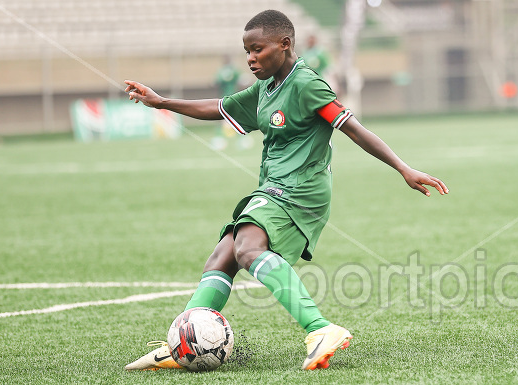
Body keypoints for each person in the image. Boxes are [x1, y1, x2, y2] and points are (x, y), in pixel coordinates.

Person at [123, 9, 449, 371]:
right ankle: (184, 343)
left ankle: (321, 329)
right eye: (247, 51)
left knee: (247, 247)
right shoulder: (266, 88)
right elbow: (218, 108)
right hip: (275, 187)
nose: (250, 59)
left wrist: (403, 167)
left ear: (285, 44)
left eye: (257, 49)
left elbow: (353, 128)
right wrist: (162, 102)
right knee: (223, 256)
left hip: (301, 189)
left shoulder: (307, 84)